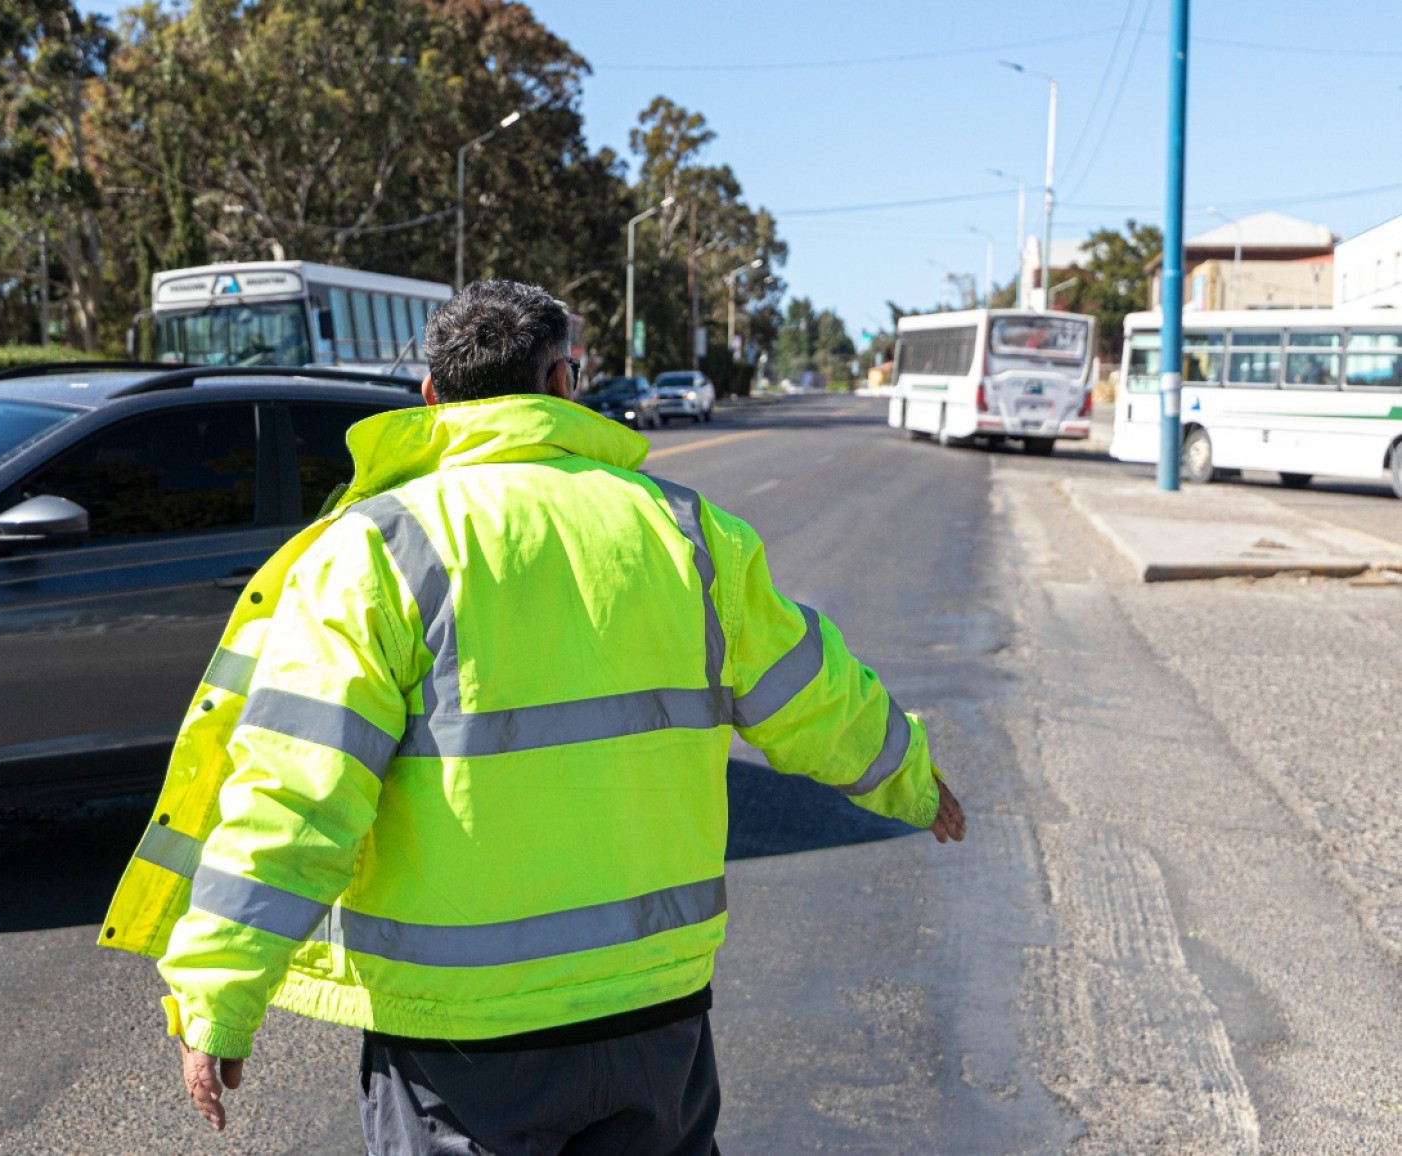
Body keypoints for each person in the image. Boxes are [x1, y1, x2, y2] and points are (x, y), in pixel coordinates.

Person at [99, 279, 967, 1154]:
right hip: (655, 1014)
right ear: (563, 380)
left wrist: (219, 998)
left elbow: (295, 792)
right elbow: (814, 695)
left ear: (432, 396)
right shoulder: (689, 532)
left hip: (462, 1040)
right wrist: (911, 780)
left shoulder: (375, 550)